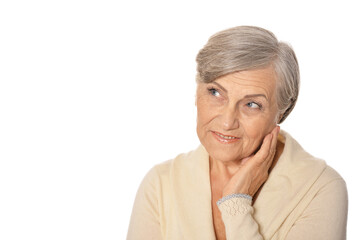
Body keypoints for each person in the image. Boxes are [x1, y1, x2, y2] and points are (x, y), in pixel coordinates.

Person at [126, 26, 348, 240]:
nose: (226, 122)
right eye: (215, 92)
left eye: (252, 104)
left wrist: (236, 204)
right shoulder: (161, 184)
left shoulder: (320, 188)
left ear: (282, 112)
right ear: (196, 92)